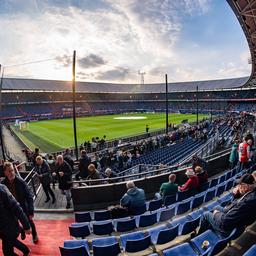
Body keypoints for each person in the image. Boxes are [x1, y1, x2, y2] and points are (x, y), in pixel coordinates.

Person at [1, 162, 38, 245]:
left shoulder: (21, 182)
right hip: (11, 209)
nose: (12, 173)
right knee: (14, 223)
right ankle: (21, 231)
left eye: (13, 170)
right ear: (5, 173)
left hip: (23, 207)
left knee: (30, 222)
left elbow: (29, 196)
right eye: (9, 171)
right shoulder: (3, 184)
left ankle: (34, 235)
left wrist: (31, 210)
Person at [0, 183, 31, 256]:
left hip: (9, 226)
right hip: (2, 229)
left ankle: (26, 250)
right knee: (12, 241)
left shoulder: (1, 189)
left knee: (7, 252)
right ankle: (26, 250)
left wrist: (26, 226)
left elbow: (16, 208)